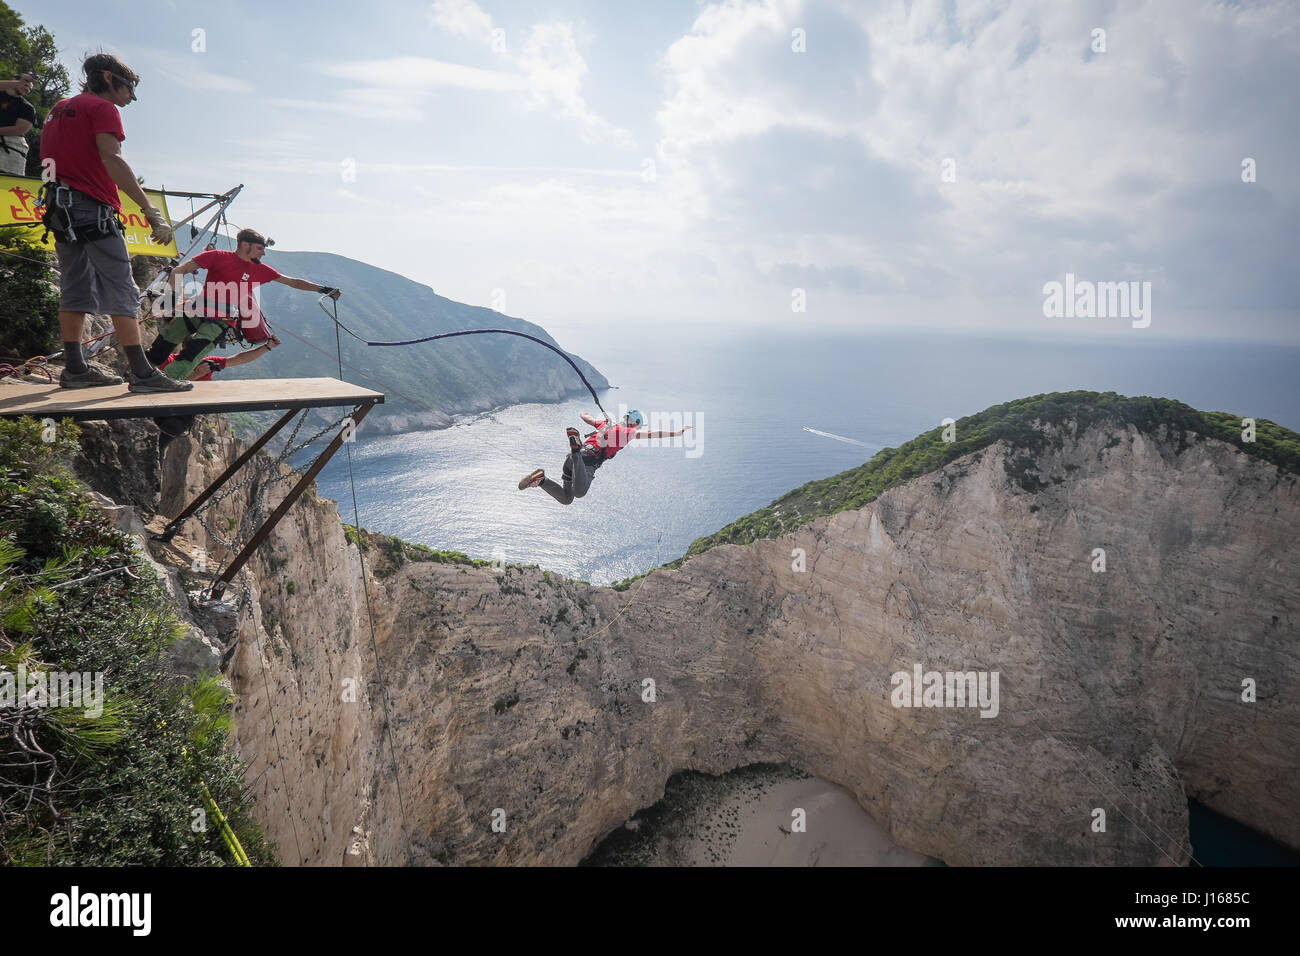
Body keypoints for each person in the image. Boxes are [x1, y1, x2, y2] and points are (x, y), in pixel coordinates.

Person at [38, 54, 189, 392]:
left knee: (74, 288)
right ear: (109, 78)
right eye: (130, 87)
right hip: (92, 208)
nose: (132, 97)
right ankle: (142, 373)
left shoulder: (59, 108)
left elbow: (47, 157)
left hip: (59, 208)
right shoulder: (102, 108)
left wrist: (60, 190)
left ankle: (75, 368)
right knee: (123, 289)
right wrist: (152, 212)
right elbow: (112, 159)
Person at [146, 228, 341, 379]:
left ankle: (166, 379)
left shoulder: (260, 269)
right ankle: (143, 374)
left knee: (194, 351)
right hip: (199, 308)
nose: (263, 254)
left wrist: (322, 289)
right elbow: (178, 271)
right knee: (166, 340)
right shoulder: (217, 256)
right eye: (259, 249)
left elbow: (292, 281)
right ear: (244, 245)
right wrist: (170, 305)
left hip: (222, 319)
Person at [519, 409, 691, 505]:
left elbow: (587, 417)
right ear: (635, 424)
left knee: (566, 499)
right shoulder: (626, 432)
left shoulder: (605, 425)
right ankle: (576, 449)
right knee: (579, 493)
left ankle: (541, 479)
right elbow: (654, 433)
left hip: (571, 462)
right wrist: (677, 433)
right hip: (584, 463)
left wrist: (582, 412)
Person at [0, 74, 37, 175]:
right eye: (25, 84)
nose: (27, 88)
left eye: (29, 88)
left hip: (11, 144)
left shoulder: (27, 107)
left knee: (10, 183)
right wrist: (18, 83)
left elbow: (20, 129)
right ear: (13, 80)